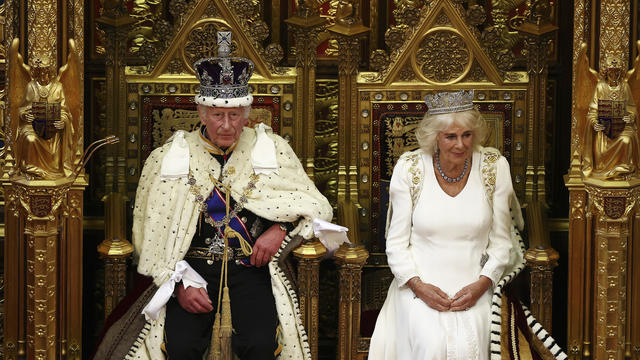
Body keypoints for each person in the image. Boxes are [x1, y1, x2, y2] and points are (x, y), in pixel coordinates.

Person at [127, 32, 333, 359]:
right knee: (181, 347)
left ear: (247, 113)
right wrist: (179, 283)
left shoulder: (272, 150)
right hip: (190, 268)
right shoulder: (168, 159)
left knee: (261, 345)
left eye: (235, 114)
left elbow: (314, 207)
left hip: (251, 268)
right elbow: (150, 235)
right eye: (217, 115)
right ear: (201, 111)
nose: (226, 125)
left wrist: (279, 230)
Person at [368, 89, 516, 359]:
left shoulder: (495, 166)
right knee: (432, 344)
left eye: (467, 135)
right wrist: (417, 285)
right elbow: (397, 242)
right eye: (451, 136)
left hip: (476, 283)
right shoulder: (410, 167)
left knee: (470, 346)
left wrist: (481, 285)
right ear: (435, 137)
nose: (460, 144)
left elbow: (502, 242)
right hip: (418, 284)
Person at [582, 57, 640, 179]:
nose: (614, 74)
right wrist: (594, 123)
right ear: (606, 72)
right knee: (601, 149)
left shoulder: (625, 87)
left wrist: (631, 117)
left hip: (623, 128)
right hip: (605, 129)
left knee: (627, 140)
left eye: (617, 71)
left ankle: (624, 171)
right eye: (611, 71)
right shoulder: (600, 87)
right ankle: (604, 170)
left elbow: (632, 108)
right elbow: (592, 112)